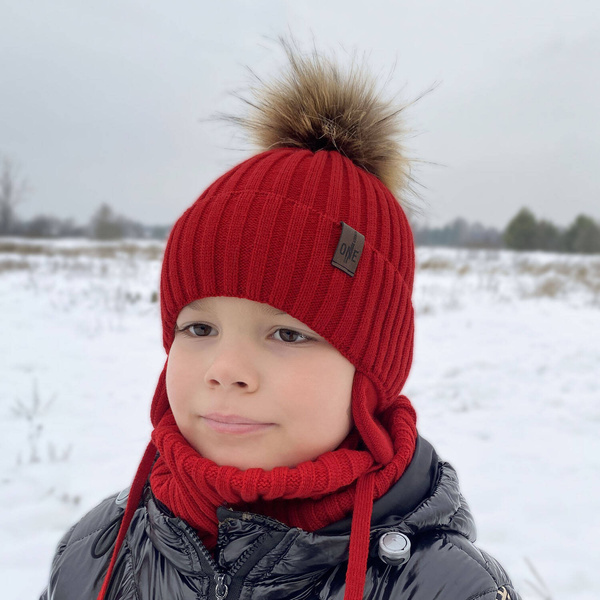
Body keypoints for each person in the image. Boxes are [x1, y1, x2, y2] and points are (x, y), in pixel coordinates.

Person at [40, 44, 521, 600]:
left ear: (369, 374)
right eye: (199, 328)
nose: (225, 370)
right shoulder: (96, 552)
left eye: (288, 333)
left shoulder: (441, 589)